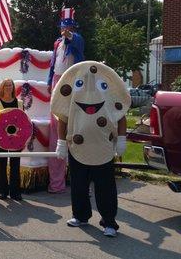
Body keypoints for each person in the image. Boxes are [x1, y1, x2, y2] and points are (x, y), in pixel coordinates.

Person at [50, 61, 130, 238]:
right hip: (78, 148)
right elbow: (63, 118)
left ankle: (109, 222)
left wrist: (121, 139)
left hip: (103, 147)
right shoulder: (74, 96)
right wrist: (61, 143)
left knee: (105, 187)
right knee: (78, 185)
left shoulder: (107, 94)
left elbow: (120, 116)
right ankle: (80, 215)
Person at [46, 7, 85, 194]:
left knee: (76, 127)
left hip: (72, 83)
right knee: (56, 129)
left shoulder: (76, 40)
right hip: (57, 82)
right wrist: (48, 81)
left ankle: (82, 181)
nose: (65, 30)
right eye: (63, 27)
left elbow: (77, 45)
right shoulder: (57, 44)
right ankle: (56, 182)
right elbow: (53, 65)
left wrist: (70, 36)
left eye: (68, 27)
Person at [0, 79, 24, 201]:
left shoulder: (20, 103)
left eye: (10, 85)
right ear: (2, 87)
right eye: (5, 85)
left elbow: (24, 121)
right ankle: (2, 191)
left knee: (15, 165)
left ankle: (15, 192)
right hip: (0, 138)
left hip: (16, 138)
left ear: (13, 87)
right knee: (1, 164)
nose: (8, 87)